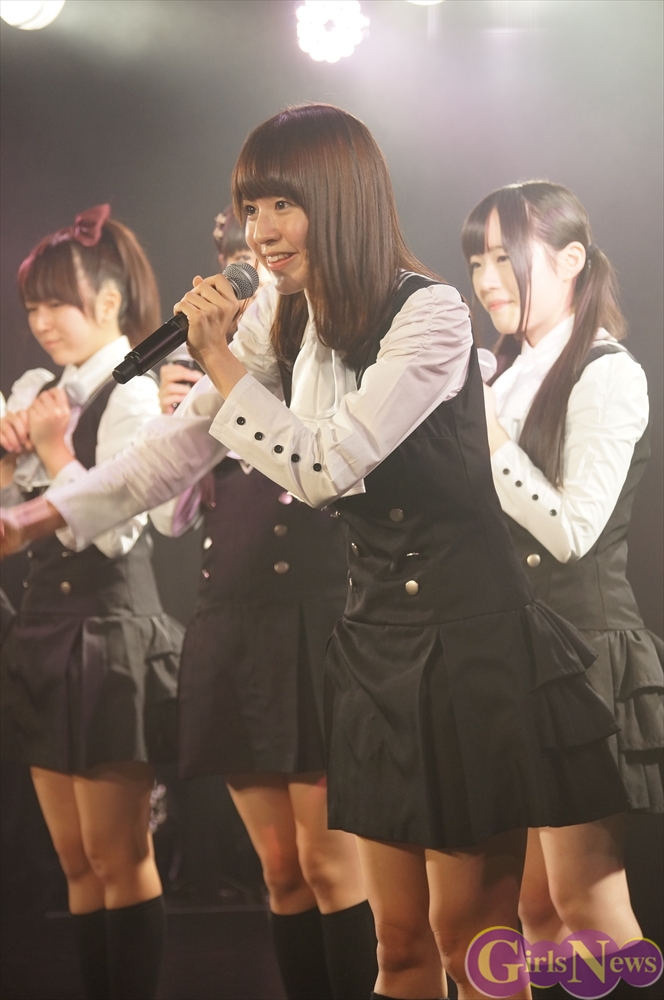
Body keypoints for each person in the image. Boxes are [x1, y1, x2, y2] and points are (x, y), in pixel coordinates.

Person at [0, 107, 629, 1000]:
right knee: (396, 946)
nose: (259, 231)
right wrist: (27, 521)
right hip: (372, 647)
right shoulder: (279, 317)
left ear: (340, 199)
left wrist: (221, 360)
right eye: (249, 209)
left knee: (470, 940)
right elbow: (170, 456)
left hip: (467, 648)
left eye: (280, 206)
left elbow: (328, 465)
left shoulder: (431, 313)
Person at [153, 210, 378, 1000]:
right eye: (230, 273)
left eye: (253, 272)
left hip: (314, 625)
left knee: (330, 864)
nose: (241, 289)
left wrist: (231, 382)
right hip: (232, 628)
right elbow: (166, 518)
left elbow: (325, 475)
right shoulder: (203, 380)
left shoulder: (321, 358)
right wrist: (176, 415)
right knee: (279, 872)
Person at [461, 181, 663, 950]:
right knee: (537, 912)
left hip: (579, 657)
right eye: (476, 262)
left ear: (571, 259)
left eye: (504, 258)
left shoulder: (607, 372)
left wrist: (490, 443)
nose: (487, 281)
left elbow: (573, 528)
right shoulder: (501, 374)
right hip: (512, 657)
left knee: (589, 905)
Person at [0, 205, 183, 1000]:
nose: (41, 322)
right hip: (44, 632)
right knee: (73, 860)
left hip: (110, 635)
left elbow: (116, 533)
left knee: (119, 856)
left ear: (109, 301)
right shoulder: (37, 389)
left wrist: (52, 452)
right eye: (31, 307)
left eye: (56, 303)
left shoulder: (134, 391)